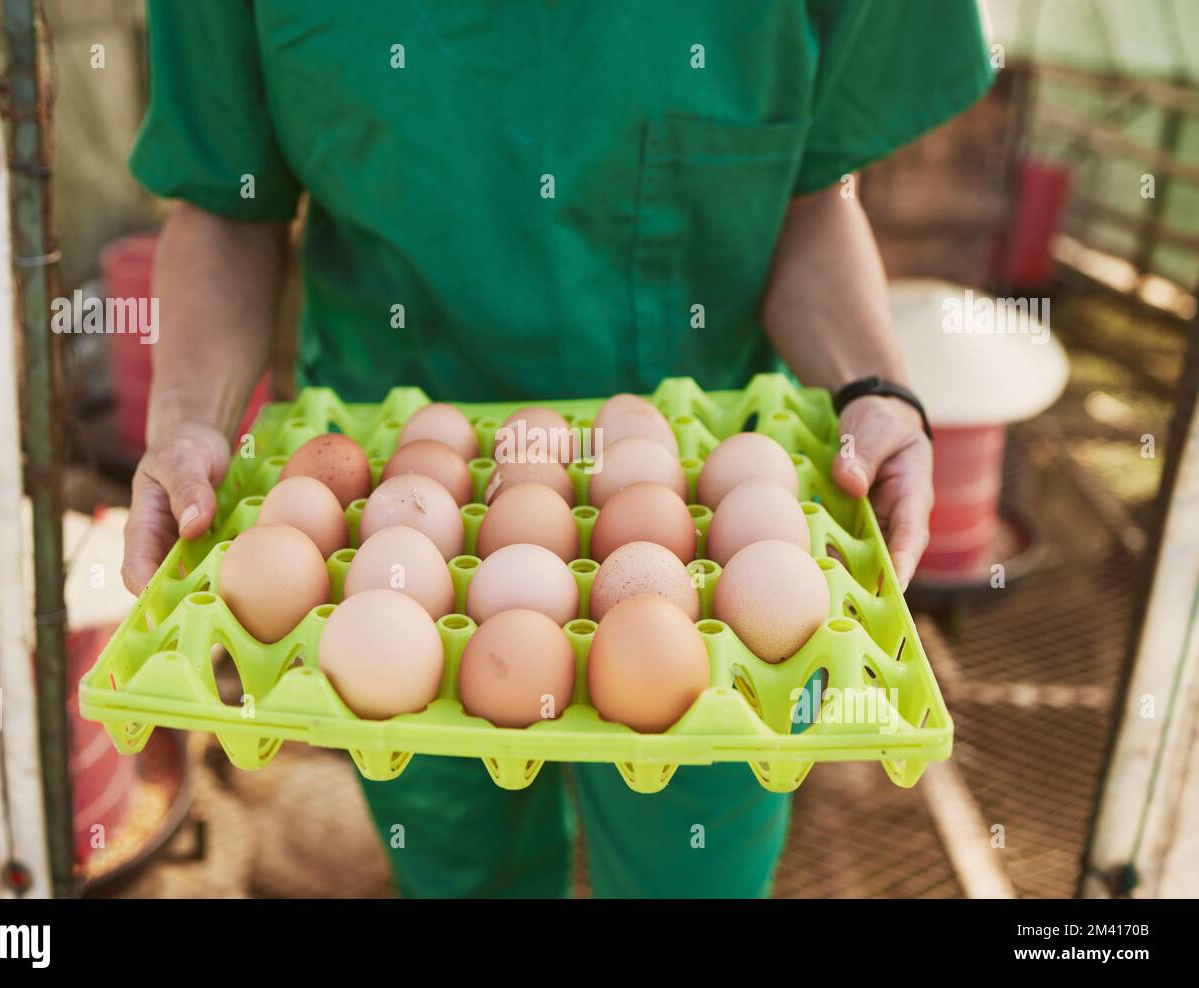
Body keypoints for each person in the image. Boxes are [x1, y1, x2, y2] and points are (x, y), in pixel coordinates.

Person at [121, 0, 993, 898]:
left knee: (692, 873)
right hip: (390, 509)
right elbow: (230, 204)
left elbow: (813, 193)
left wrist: (873, 388)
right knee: (459, 867)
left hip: (708, 511)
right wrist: (189, 421)